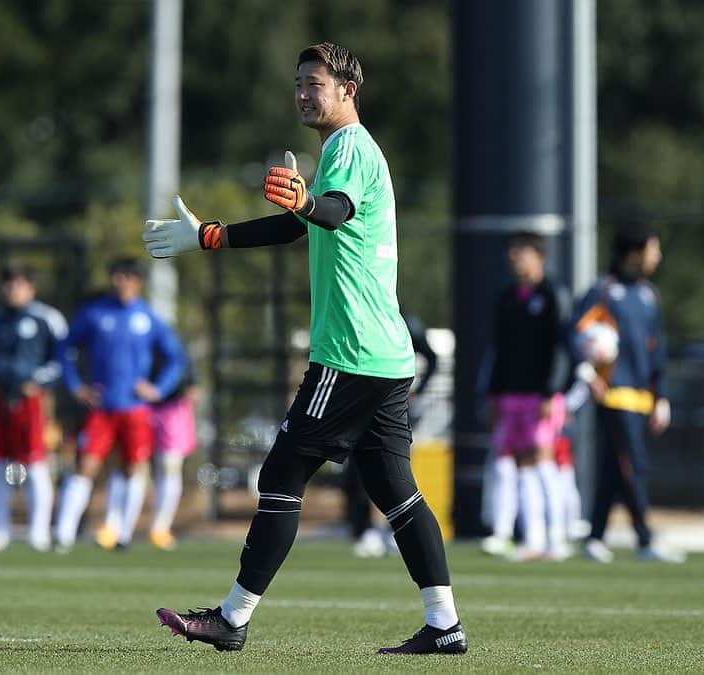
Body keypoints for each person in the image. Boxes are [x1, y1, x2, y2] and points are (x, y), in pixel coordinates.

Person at [144, 42, 466, 655]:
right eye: (297, 83)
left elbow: (333, 212)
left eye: (314, 83)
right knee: (397, 492)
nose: (302, 93)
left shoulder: (349, 146)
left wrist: (309, 202)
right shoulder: (347, 151)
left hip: (350, 355)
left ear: (347, 90)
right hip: (385, 355)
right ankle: (444, 623)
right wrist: (213, 234)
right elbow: (303, 221)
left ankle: (232, 618)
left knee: (281, 476)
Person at [54, 258, 185, 552]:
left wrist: (158, 388)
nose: (120, 282)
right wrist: (76, 387)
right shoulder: (95, 314)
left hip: (135, 409)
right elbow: (65, 349)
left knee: (132, 468)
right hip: (101, 408)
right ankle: (62, 535)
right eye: (116, 276)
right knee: (86, 466)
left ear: (138, 282)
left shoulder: (148, 318)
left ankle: (123, 533)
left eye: (126, 276)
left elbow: (176, 358)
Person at [575, 223, 684, 564]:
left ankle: (594, 537)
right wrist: (586, 369)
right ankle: (645, 539)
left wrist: (661, 396)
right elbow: (574, 332)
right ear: (635, 253)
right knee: (632, 463)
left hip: (641, 395)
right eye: (654, 249)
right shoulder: (604, 290)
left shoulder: (650, 295)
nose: (659, 256)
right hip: (613, 393)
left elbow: (656, 349)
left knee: (613, 466)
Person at [0, 262, 68, 553]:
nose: (11, 289)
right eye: (7, 283)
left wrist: (37, 382)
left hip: (32, 402)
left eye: (18, 283)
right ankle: (0, 530)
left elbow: (62, 359)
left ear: (31, 288)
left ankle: (39, 532)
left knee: (35, 463)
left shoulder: (47, 318)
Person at [481, 232, 570, 561]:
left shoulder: (553, 295)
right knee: (521, 464)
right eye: (512, 252)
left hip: (541, 394)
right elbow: (499, 350)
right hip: (510, 394)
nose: (515, 258)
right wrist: (493, 393)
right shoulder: (507, 297)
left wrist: (551, 390)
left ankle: (557, 536)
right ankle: (533, 536)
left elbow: (562, 347)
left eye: (522, 252)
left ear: (539, 256)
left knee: (543, 460)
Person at [347, 313, 437, 559]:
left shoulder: (403, 322)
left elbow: (432, 357)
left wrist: (417, 390)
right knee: (369, 468)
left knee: (397, 469)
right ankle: (375, 530)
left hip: (395, 408)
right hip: (366, 404)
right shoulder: (361, 318)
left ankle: (395, 530)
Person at [148, 362, 199, 551]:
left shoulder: (171, 345)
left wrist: (192, 384)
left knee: (170, 468)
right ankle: (115, 528)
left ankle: (160, 528)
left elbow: (186, 370)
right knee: (129, 466)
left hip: (171, 410)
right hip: (136, 406)